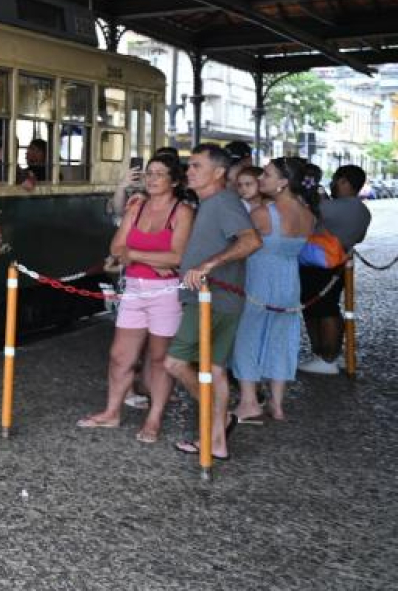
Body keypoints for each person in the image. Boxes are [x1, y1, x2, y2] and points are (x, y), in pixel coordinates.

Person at [78, 154, 193, 444]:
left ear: (175, 180)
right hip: (134, 289)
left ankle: (153, 418)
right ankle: (111, 412)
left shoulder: (182, 212)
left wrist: (135, 255)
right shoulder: (137, 206)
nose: (151, 178)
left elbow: (177, 257)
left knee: (158, 358)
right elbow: (116, 246)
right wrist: (149, 259)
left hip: (166, 293)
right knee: (120, 355)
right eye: (149, 173)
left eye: (159, 174)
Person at [165, 143, 261, 461]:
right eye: (188, 166)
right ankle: (217, 441)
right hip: (219, 299)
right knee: (216, 370)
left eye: (196, 166)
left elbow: (251, 240)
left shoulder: (222, 202)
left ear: (218, 172)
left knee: (175, 363)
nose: (189, 171)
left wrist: (208, 265)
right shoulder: (212, 203)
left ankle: (216, 420)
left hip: (212, 300)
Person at [230, 157, 318, 423]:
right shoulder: (308, 214)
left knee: (248, 336)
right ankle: (277, 404)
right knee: (281, 339)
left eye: (266, 175)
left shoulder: (262, 214)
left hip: (259, 279)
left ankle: (248, 403)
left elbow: (237, 244)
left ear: (283, 182)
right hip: (289, 281)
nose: (261, 179)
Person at [298, 164, 372, 374]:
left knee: (322, 310)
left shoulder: (338, 206)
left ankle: (326, 357)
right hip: (337, 264)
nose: (332, 184)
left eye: (336, 180)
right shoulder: (362, 210)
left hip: (320, 265)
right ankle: (325, 356)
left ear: (344, 182)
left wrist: (314, 192)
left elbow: (309, 212)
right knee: (323, 308)